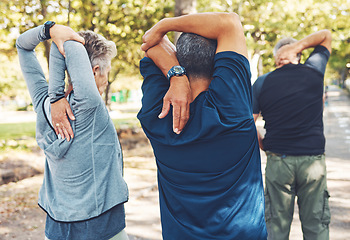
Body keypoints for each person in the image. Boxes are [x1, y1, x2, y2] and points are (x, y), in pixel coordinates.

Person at [138, 12, 267, 239]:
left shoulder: (156, 114)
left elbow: (151, 43)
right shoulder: (233, 108)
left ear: (179, 58)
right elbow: (229, 22)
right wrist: (166, 25)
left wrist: (176, 76)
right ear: (218, 59)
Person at [16, 22, 129, 240]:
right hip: (101, 225)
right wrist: (59, 32)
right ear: (95, 71)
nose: (106, 80)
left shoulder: (44, 105)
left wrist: (48, 30)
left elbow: (22, 45)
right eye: (107, 71)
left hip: (57, 226)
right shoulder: (90, 106)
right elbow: (70, 44)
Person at [252, 30, 332, 240]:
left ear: (277, 57)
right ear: (298, 54)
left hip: (278, 162)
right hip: (312, 163)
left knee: (276, 228)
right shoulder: (314, 71)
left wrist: (262, 144)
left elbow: (248, 123)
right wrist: (297, 48)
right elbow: (326, 35)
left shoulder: (261, 82)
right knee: (316, 226)